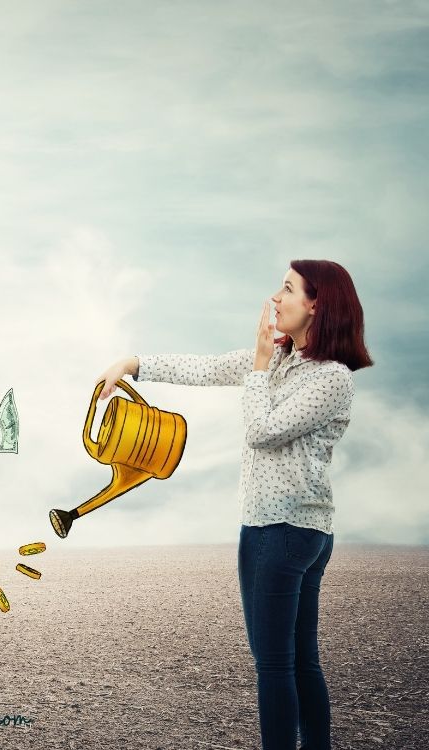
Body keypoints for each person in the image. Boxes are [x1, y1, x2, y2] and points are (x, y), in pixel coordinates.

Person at [94, 259, 373, 750]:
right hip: (294, 533)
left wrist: (260, 367)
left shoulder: (331, 378)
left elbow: (263, 431)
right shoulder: (284, 362)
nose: (275, 298)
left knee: (276, 665)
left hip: (280, 533)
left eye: (288, 289)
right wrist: (132, 364)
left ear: (316, 305)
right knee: (300, 660)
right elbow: (205, 367)